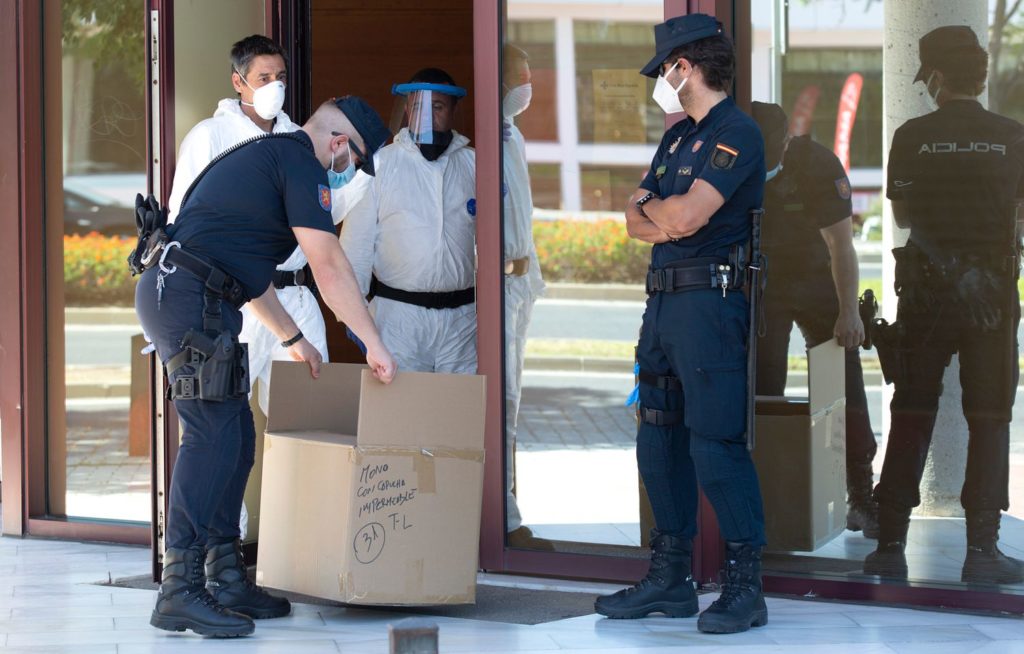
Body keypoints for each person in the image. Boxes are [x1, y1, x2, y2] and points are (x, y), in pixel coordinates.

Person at [137, 97, 396, 637]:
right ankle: (179, 589)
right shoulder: (301, 164)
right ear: (339, 144)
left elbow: (250, 276)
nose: (345, 172)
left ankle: (225, 574)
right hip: (186, 297)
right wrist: (372, 341)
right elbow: (327, 263)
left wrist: (294, 336)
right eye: (351, 161)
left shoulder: (275, 157)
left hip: (199, 295)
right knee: (209, 437)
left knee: (234, 435)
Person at [593, 14, 768, 634]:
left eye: (664, 70)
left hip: (710, 308)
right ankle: (670, 577)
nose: (661, 82)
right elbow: (633, 216)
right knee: (657, 434)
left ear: (684, 68)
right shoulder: (676, 140)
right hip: (663, 304)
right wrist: (656, 213)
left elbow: (688, 216)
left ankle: (746, 587)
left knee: (714, 442)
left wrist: (661, 213)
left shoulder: (736, 133)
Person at [865, 25, 1024, 585]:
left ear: (935, 77)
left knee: (911, 410)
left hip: (926, 294)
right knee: (989, 418)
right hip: (993, 298)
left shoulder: (911, 136)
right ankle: (982, 551)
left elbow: (905, 217)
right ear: (978, 76)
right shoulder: (1013, 136)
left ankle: (889, 544)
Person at [750, 101, 878, 538]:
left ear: (787, 141)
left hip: (818, 279)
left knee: (843, 384)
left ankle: (861, 495)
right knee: (764, 387)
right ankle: (767, 492)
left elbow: (842, 245)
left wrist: (848, 312)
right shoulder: (733, 157)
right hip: (763, 285)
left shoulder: (817, 163)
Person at [339, 68, 477, 374]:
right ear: (406, 112)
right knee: (400, 414)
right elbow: (356, 246)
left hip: (464, 322)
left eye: (437, 107)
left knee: (459, 414)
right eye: (417, 108)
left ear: (454, 110)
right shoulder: (381, 165)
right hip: (399, 319)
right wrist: (355, 316)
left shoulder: (475, 166)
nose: (427, 117)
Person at [501, 45, 549, 550]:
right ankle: (504, 518)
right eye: (520, 74)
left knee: (512, 402)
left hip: (519, 283)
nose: (527, 84)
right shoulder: (482, 144)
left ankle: (508, 511)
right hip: (495, 285)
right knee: (502, 400)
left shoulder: (513, 137)